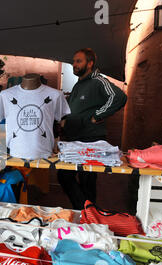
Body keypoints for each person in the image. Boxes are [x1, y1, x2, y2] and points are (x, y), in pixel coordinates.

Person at [57, 48, 127, 210]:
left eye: (78, 61)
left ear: (90, 63)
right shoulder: (79, 84)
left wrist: (98, 115)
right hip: (75, 138)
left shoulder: (98, 81)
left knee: (85, 179)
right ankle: (87, 211)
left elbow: (119, 97)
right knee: (65, 175)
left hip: (90, 138)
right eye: (73, 61)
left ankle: (88, 213)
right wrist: (65, 121)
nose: (74, 64)